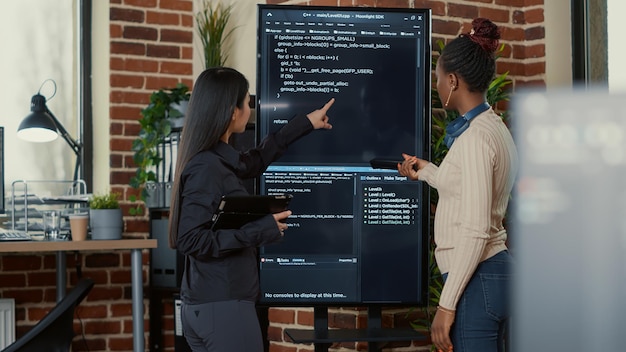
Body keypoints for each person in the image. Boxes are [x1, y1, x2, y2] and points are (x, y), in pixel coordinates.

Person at [167, 67, 334, 352]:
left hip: (209, 306)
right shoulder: (206, 167)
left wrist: (304, 124)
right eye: (247, 102)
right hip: (223, 307)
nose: (250, 109)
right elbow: (189, 239)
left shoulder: (215, 159)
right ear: (232, 111)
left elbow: (252, 162)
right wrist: (259, 230)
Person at [397, 18, 518, 352]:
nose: (436, 86)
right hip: (494, 274)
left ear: (452, 81)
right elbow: (471, 189)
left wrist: (446, 305)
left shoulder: (475, 139)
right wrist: (426, 172)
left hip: (477, 279)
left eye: (437, 78)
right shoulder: (493, 129)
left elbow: (477, 227)